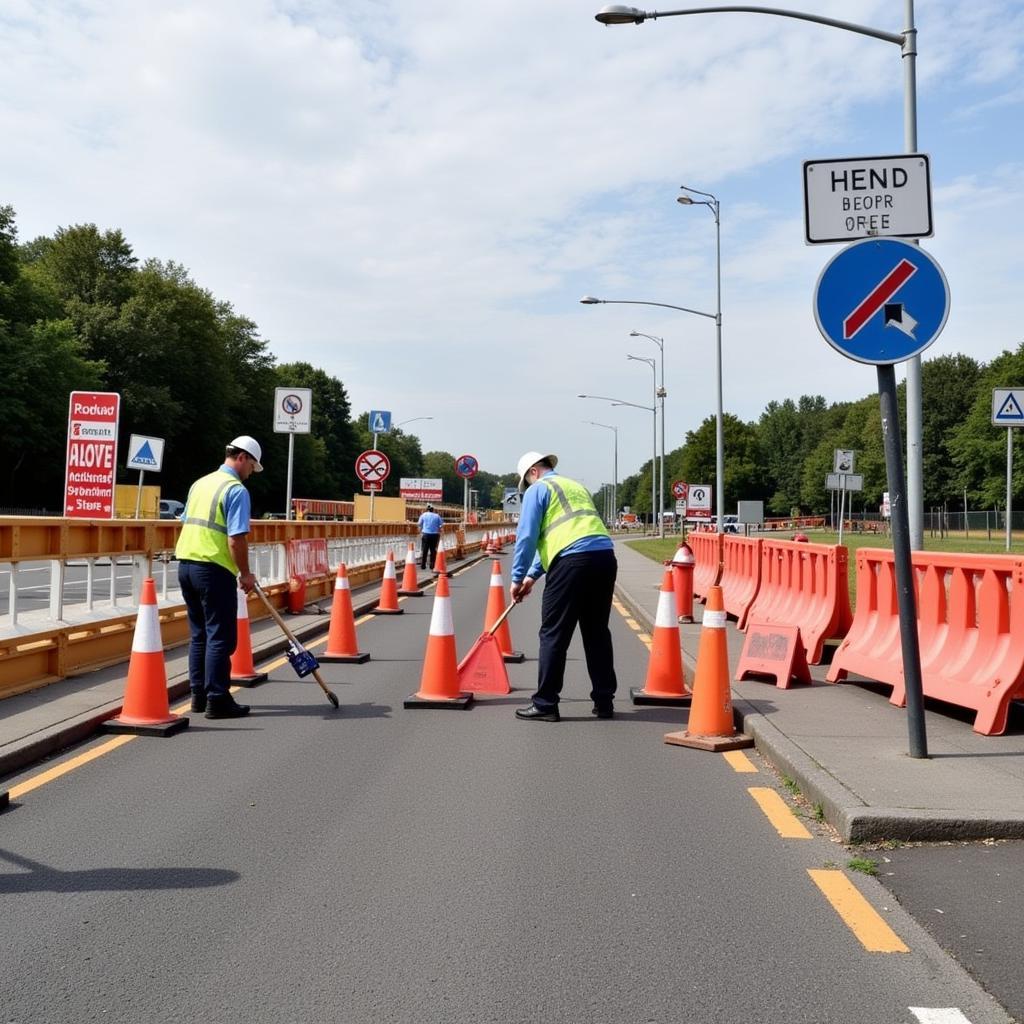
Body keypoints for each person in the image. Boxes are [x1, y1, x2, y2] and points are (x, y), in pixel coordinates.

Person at [509, 451, 618, 722]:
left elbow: (527, 536)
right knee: (596, 633)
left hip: (572, 563)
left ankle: (546, 703)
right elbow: (559, 535)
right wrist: (532, 577)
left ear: (533, 472)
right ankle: (604, 701)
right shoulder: (575, 487)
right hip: (604, 557)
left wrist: (516, 578)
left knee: (554, 634)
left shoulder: (539, 489)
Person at [174, 435, 263, 720]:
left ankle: (198, 696)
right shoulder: (235, 490)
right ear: (242, 458)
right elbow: (236, 539)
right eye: (252, 466)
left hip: (186, 565)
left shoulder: (200, 483)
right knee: (219, 637)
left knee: (199, 635)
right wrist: (246, 574)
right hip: (213, 569)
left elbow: (187, 520)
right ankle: (218, 699)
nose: (251, 472)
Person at [417, 503, 444, 570]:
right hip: (435, 535)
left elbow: (419, 524)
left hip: (425, 534)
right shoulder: (437, 516)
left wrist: (420, 533)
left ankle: (423, 565)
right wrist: (441, 533)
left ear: (427, 509)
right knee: (433, 550)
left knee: (424, 550)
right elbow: (441, 526)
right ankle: (432, 565)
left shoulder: (423, 515)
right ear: (433, 510)